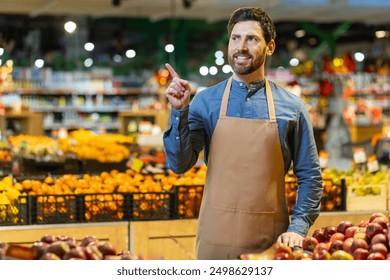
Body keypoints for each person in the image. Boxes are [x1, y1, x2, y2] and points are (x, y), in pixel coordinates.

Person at [163, 7, 323, 260]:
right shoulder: (205, 102)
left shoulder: (292, 107)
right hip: (215, 240)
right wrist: (179, 112)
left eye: (252, 39)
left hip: (270, 243)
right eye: (236, 38)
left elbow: (311, 176)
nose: (241, 47)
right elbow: (179, 164)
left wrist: (298, 227)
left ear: (270, 47)